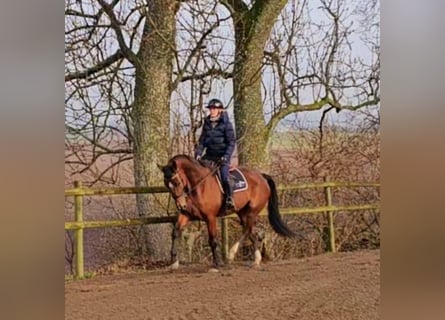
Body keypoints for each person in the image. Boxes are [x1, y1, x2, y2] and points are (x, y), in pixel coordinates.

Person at [195, 98, 236, 211]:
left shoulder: (226, 124)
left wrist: (226, 156)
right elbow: (202, 140)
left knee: (224, 176)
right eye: (211, 108)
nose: (212, 110)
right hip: (209, 155)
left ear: (220, 110)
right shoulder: (207, 124)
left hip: (222, 156)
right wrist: (198, 153)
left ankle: (229, 198)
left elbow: (231, 142)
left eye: (214, 108)